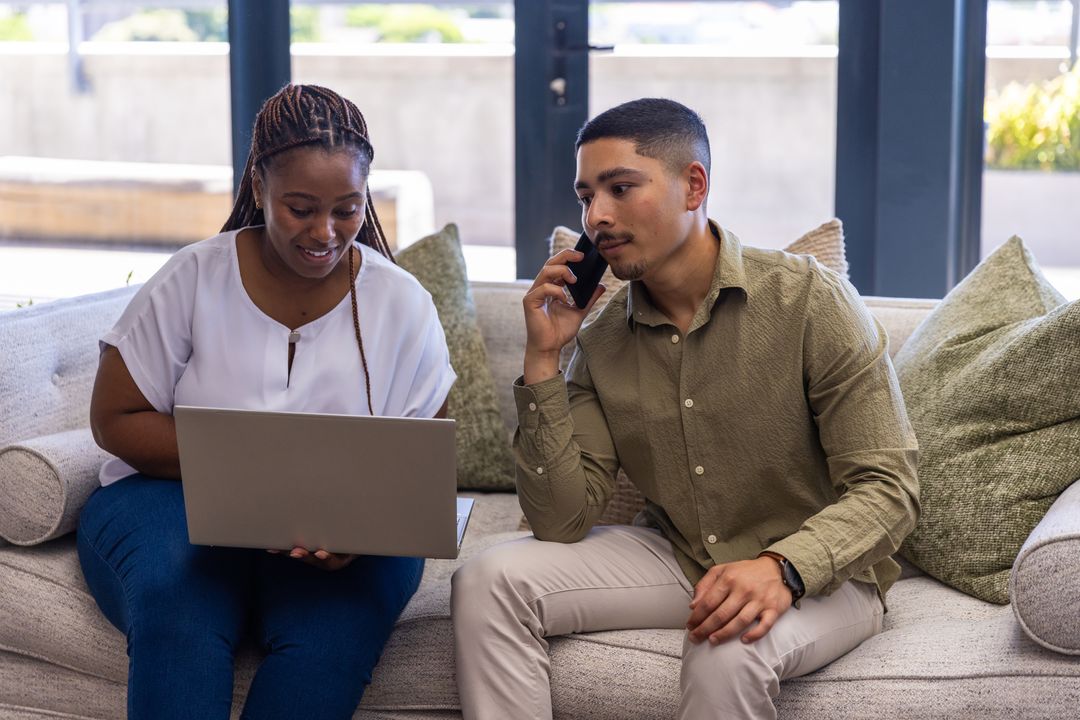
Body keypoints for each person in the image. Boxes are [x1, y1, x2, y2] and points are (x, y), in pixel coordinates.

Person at [451, 98, 919, 719]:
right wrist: (543, 362)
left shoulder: (809, 299)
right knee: (487, 580)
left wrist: (782, 567)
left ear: (694, 185)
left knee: (728, 644)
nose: (599, 217)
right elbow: (560, 521)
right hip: (682, 555)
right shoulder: (599, 340)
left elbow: (890, 488)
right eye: (587, 197)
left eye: (621, 188)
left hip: (822, 576)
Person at [78, 84, 455, 720]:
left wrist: (360, 530)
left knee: (330, 638)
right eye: (301, 208)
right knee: (181, 606)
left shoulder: (402, 302)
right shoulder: (194, 277)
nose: (325, 233)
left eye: (347, 209)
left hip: (340, 526)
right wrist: (252, 473)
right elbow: (114, 420)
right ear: (259, 186)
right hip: (171, 501)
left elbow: (419, 462)